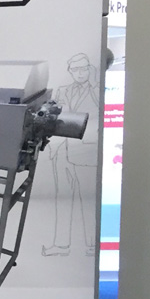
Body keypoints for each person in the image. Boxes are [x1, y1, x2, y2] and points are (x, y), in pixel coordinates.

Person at [43, 52, 99, 257]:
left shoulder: (97, 91)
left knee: (88, 199)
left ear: (90, 69)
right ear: (70, 71)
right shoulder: (63, 91)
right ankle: (61, 245)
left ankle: (92, 245)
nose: (80, 73)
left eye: (84, 69)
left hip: (86, 151)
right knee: (62, 198)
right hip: (62, 150)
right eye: (76, 70)